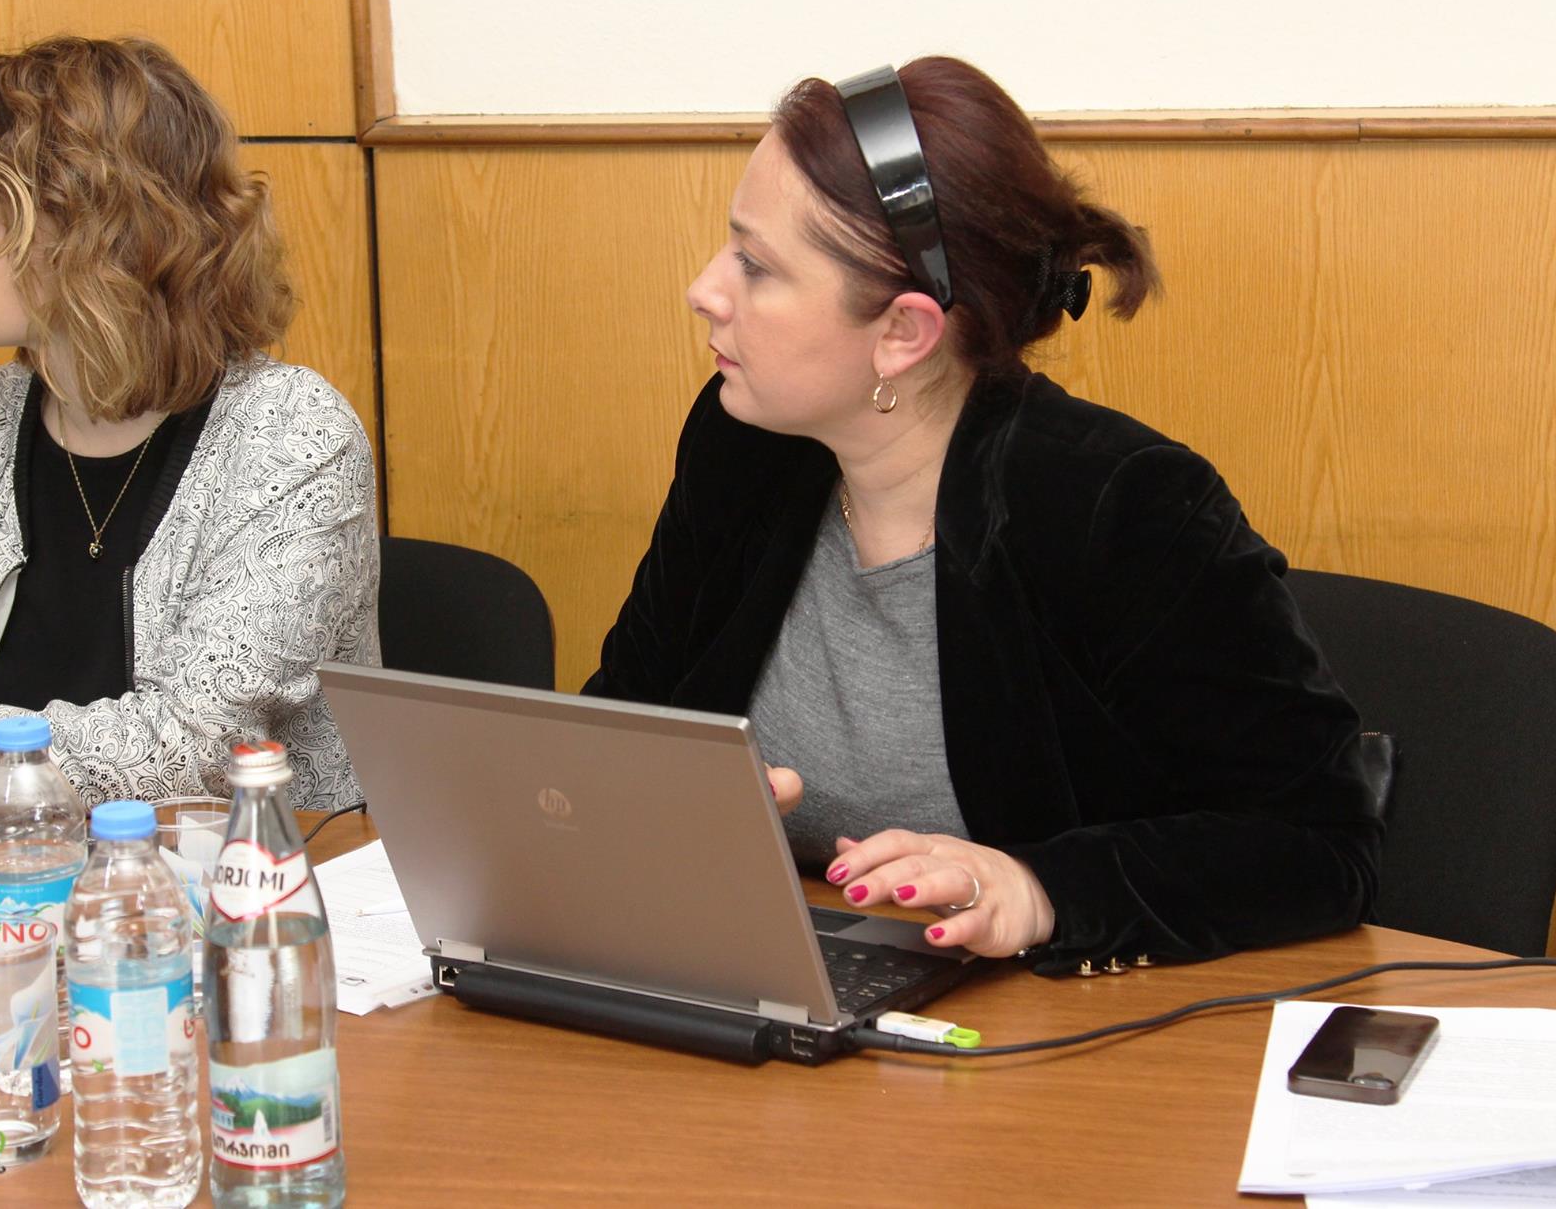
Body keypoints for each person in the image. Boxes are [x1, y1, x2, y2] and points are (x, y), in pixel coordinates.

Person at [585, 56, 1383, 974]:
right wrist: (659, 807)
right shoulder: (746, 443)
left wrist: (1039, 889)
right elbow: (621, 722)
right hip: (766, 974)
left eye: (756, 266)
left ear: (903, 333)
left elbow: (1322, 840)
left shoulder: (1121, 504)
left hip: (1045, 1027)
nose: (705, 288)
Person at [0, 35, 378, 810]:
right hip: (4, 870)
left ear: (106, 239)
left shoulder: (293, 436)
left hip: (243, 874)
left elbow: (194, 749)